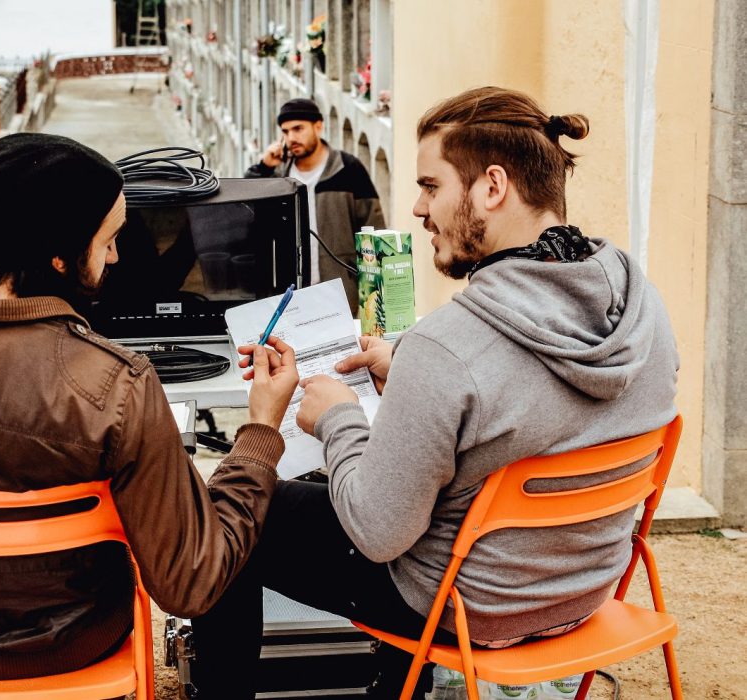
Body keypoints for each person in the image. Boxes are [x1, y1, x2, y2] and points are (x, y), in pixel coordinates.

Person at [192, 86, 679, 698]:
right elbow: (529, 402)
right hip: (584, 589)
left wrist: (339, 417)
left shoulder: (447, 347)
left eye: (431, 186)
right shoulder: (640, 305)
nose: (419, 209)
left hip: (466, 608)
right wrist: (409, 372)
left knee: (229, 513)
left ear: (492, 187)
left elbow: (377, 533)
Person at [0, 132, 300, 681]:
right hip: (77, 644)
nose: (116, 256)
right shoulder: (117, 383)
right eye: (108, 240)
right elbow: (191, 584)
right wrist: (260, 432)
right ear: (59, 258)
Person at [246, 97, 385, 307]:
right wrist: (264, 167)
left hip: (341, 295)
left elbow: (373, 232)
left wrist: (371, 297)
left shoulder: (348, 169)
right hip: (291, 296)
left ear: (318, 127)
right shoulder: (279, 176)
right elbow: (246, 207)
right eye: (285, 132)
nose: (291, 137)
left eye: (298, 129)